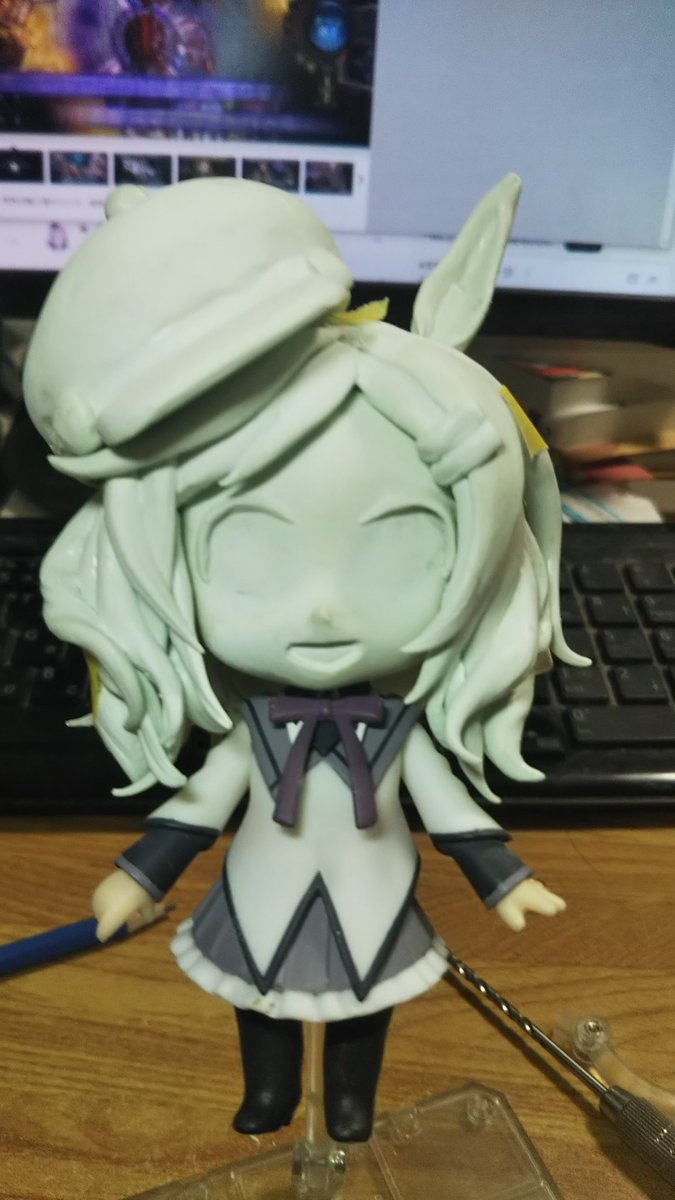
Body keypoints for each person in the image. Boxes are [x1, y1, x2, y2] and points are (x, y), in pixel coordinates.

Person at [23, 175, 579, 1143]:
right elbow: (198, 808)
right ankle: (271, 1093)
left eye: (402, 548)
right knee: (257, 992)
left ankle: (353, 1102)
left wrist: (505, 879)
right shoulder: (252, 732)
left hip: (375, 890)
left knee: (368, 996)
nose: (322, 607)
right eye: (248, 554)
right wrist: (139, 875)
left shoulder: (399, 732)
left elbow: (452, 813)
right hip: (262, 889)